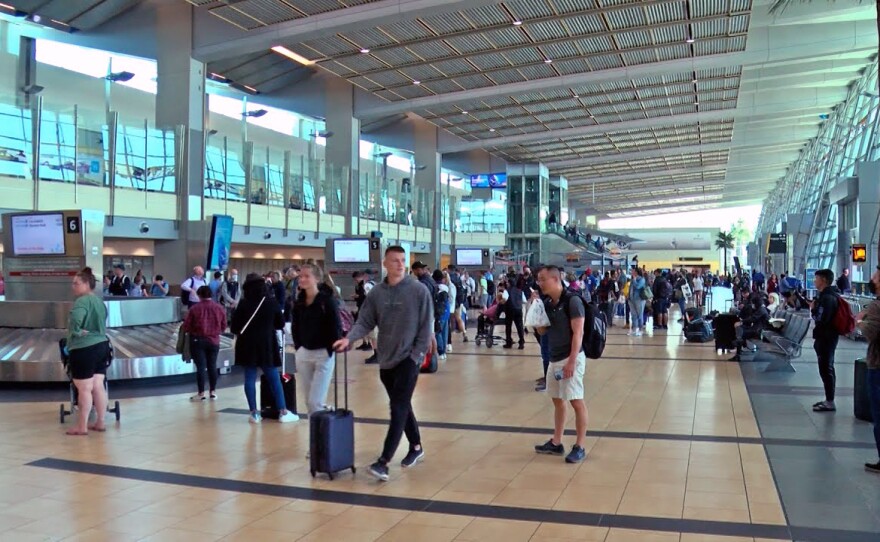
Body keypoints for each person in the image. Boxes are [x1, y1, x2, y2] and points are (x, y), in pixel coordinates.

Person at [333, 246, 433, 482]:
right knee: (402, 404)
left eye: (403, 260)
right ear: (385, 263)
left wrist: (416, 356)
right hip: (386, 360)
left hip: (409, 360)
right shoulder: (377, 293)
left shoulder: (418, 291)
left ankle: (384, 461)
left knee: (397, 408)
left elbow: (426, 325)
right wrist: (349, 339)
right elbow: (365, 321)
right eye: (395, 261)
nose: (400, 264)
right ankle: (417, 447)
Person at [533, 265, 588, 464]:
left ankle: (580, 446)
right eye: (538, 279)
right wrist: (536, 310)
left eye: (543, 279)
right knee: (557, 399)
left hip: (570, 357)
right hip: (554, 358)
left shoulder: (573, 301)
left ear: (556, 280)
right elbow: (542, 332)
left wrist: (572, 362)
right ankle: (556, 442)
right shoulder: (548, 302)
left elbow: (578, 333)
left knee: (575, 400)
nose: (539, 283)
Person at [231, 274, 298, 423]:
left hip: (247, 344)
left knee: (249, 378)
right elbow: (280, 324)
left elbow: (234, 326)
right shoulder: (271, 302)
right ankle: (283, 411)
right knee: (274, 378)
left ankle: (254, 413)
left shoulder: (243, 303)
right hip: (266, 344)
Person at [65, 268, 111, 436]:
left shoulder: (82, 301)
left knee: (84, 388)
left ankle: (82, 426)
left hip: (84, 347)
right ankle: (100, 422)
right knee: (98, 385)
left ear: (86, 284)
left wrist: (76, 331)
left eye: (76, 283)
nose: (73, 287)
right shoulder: (99, 301)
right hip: (102, 345)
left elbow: (76, 319)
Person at [291, 264, 342, 414]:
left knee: (315, 402)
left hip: (323, 354)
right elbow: (295, 326)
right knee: (309, 401)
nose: (302, 279)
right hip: (304, 353)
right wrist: (298, 347)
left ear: (317, 279)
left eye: (307, 276)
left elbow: (335, 326)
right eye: (300, 276)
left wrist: (330, 348)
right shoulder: (299, 302)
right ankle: (317, 433)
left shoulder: (327, 301)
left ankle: (322, 432)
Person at [855, 268, 880, 474]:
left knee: (878, 415)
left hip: (878, 364)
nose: (871, 279)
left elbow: (871, 332)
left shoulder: (876, 305)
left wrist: (861, 320)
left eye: (875, 276)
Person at [182, 285, 227, 401]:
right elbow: (224, 326)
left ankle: (201, 393)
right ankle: (213, 392)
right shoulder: (219, 308)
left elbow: (186, 326)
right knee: (212, 366)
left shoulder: (194, 309)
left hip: (198, 341)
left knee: (201, 367)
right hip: (214, 341)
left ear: (199, 295)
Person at [811, 269, 842, 412]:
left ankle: (830, 401)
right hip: (826, 337)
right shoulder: (826, 296)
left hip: (826, 338)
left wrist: (813, 309)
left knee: (826, 368)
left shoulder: (827, 298)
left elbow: (821, 319)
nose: (814, 280)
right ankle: (829, 399)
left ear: (823, 280)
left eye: (816, 278)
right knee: (826, 368)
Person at [728, 295, 770, 361]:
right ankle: (739, 342)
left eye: (753, 303)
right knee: (741, 331)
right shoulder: (760, 309)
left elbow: (753, 318)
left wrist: (741, 322)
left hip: (759, 331)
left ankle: (738, 343)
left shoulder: (761, 310)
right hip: (756, 329)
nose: (752, 305)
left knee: (741, 333)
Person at [503, 273, 525, 349]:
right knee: (519, 326)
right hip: (519, 310)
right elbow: (524, 300)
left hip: (510, 310)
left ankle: (509, 342)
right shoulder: (520, 291)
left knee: (508, 326)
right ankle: (521, 342)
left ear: (509, 283)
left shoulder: (506, 291)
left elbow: (504, 299)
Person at [628, 268, 646, 336]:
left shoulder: (642, 279)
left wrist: (635, 280)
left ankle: (641, 330)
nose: (632, 272)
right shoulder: (632, 279)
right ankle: (634, 329)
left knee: (639, 315)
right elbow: (630, 288)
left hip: (639, 300)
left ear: (636, 272)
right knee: (633, 315)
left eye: (633, 271)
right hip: (631, 299)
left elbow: (638, 286)